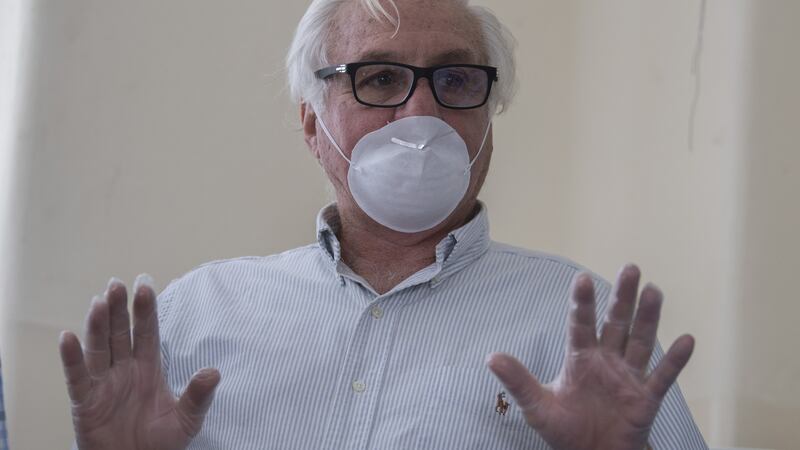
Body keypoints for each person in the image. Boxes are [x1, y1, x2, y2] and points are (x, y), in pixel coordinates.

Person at [58, 0, 708, 449]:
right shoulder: (197, 314)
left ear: (490, 115)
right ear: (312, 123)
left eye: (457, 79)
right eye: (379, 78)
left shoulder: (582, 327)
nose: (420, 112)